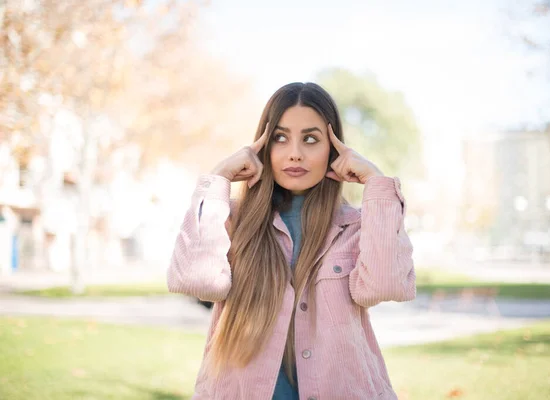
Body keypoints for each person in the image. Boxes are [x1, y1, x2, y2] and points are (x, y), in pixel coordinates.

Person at [167, 82, 416, 400]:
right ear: (263, 146)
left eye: (310, 139)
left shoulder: (356, 226)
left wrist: (376, 182)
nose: (295, 153)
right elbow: (197, 281)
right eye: (280, 138)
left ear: (334, 150)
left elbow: (384, 287)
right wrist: (219, 179)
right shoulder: (232, 220)